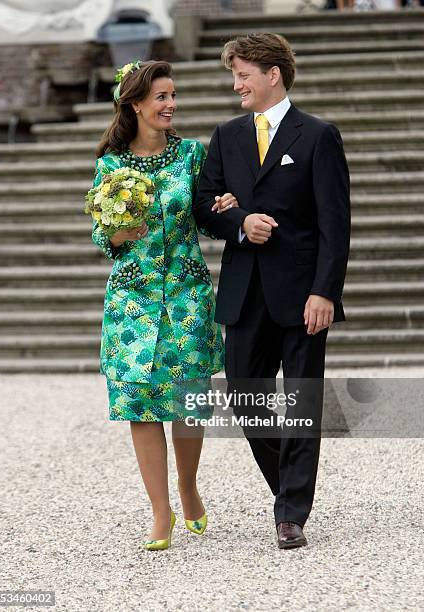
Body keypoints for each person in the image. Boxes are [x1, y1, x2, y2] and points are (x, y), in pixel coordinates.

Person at [193, 33, 350, 549]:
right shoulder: (227, 134)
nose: (236, 84)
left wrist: (325, 291)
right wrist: (239, 220)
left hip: (303, 292)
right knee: (244, 395)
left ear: (272, 73)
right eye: (234, 75)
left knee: (302, 400)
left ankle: (290, 513)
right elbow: (203, 206)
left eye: (242, 74)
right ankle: (290, 485)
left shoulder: (318, 135)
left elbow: (335, 222)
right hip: (243, 292)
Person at [91, 60, 224, 550]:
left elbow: (207, 219)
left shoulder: (191, 155)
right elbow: (103, 235)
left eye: (173, 95)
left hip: (187, 298)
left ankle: (189, 487)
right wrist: (117, 233)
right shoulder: (110, 164)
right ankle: (159, 511)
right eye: (161, 96)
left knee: (190, 402)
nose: (170, 104)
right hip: (132, 304)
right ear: (135, 104)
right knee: (140, 407)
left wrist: (224, 209)